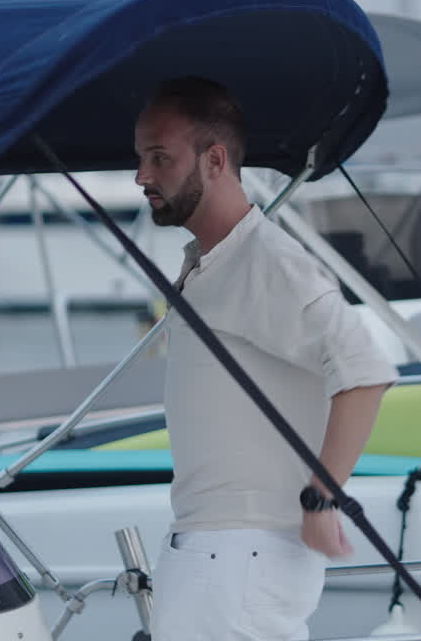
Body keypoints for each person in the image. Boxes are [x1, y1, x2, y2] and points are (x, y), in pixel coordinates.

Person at [135, 77, 398, 640]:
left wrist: (321, 499)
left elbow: (364, 372)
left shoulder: (266, 260)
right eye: (141, 158)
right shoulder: (215, 259)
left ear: (214, 160)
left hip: (236, 561)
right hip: (220, 557)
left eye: (160, 158)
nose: (142, 176)